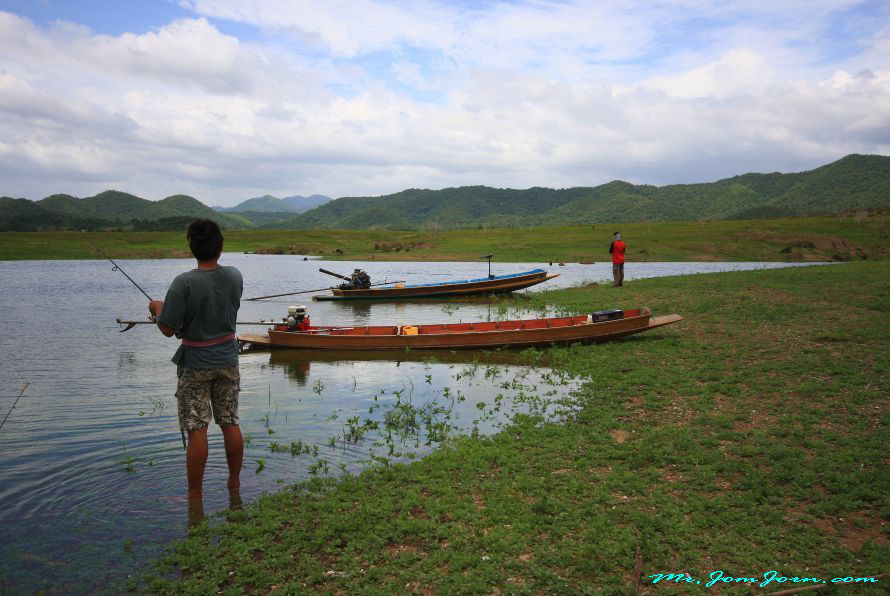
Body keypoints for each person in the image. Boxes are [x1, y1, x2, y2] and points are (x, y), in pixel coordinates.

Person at [148, 219, 244, 501]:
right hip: (228, 358)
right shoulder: (235, 276)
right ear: (221, 245)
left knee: (197, 427)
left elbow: (167, 328)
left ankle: (194, 496)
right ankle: (234, 484)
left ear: (191, 246)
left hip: (194, 364)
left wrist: (157, 308)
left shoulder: (183, 282)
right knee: (230, 421)